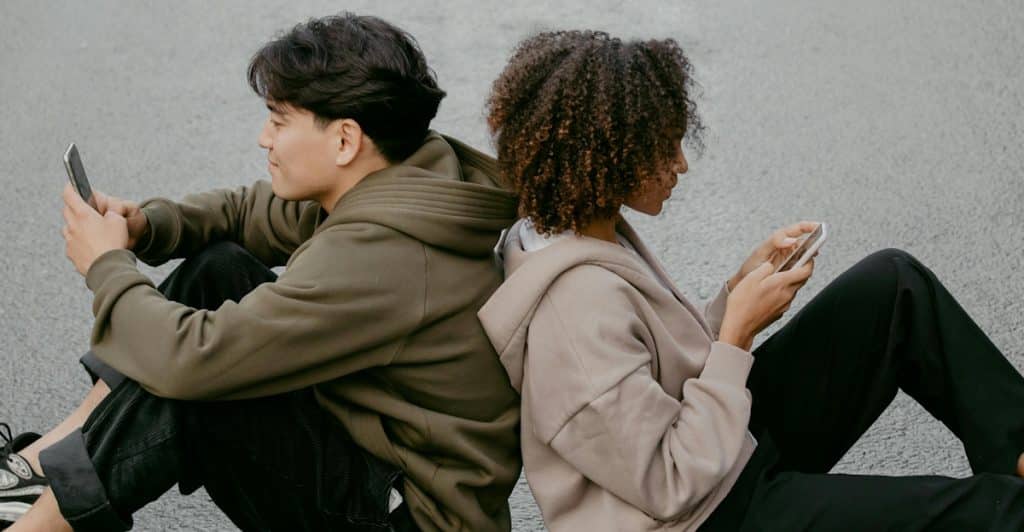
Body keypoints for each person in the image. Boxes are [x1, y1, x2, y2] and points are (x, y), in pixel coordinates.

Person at [478, 29, 1024, 531]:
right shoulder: (571, 315)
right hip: (704, 516)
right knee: (985, 511)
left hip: (720, 450)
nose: (680, 164)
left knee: (894, 283)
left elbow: (657, 371)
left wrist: (735, 294)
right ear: (606, 157)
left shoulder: (586, 228)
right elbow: (670, 484)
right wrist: (737, 335)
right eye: (663, 148)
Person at [1, 13, 522, 532]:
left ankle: (35, 523)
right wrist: (148, 226)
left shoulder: (383, 256)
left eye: (279, 120)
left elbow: (191, 359)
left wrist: (106, 266)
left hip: (409, 517)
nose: (263, 138)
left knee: (199, 390)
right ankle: (38, 470)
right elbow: (251, 212)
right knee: (218, 272)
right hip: (379, 455)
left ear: (344, 140)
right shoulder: (407, 171)